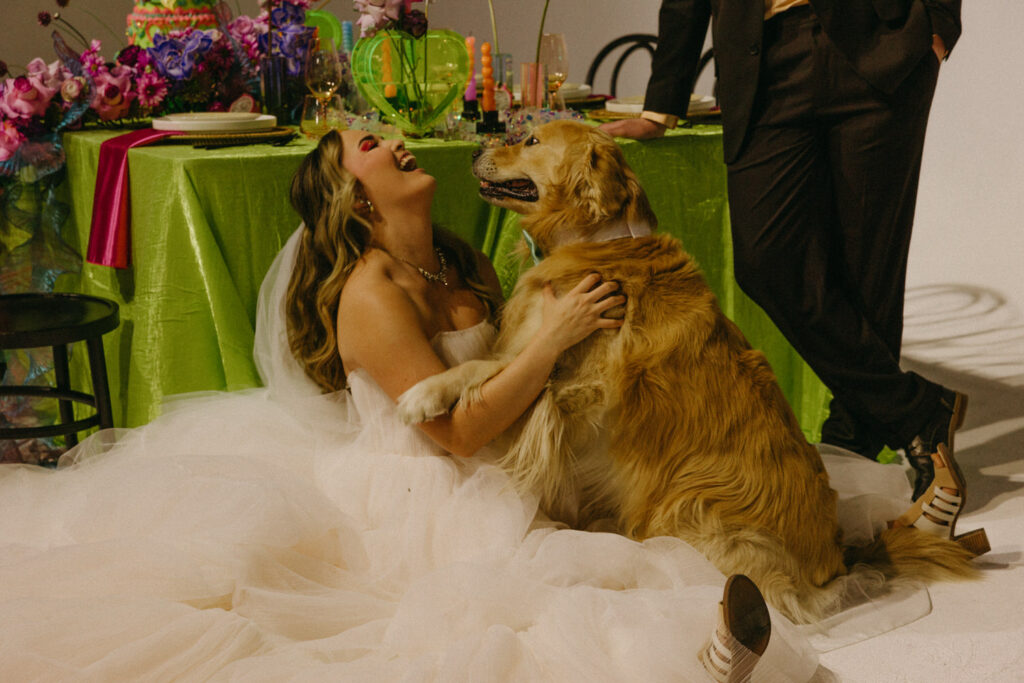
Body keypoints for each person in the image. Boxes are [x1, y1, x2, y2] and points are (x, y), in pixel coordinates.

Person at [0, 128, 864, 681]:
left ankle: (711, 641)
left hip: (502, 461)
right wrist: (553, 339)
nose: (400, 144)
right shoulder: (373, 292)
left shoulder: (458, 262)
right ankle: (705, 659)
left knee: (616, 541)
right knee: (538, 611)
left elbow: (501, 380)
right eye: (373, 145)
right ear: (356, 196)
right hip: (436, 487)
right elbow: (456, 429)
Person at [601, 0, 965, 503]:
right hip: (763, 55)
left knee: (870, 264)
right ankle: (914, 410)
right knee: (766, 260)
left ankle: (855, 449)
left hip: (881, 37)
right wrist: (662, 103)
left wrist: (939, 21)